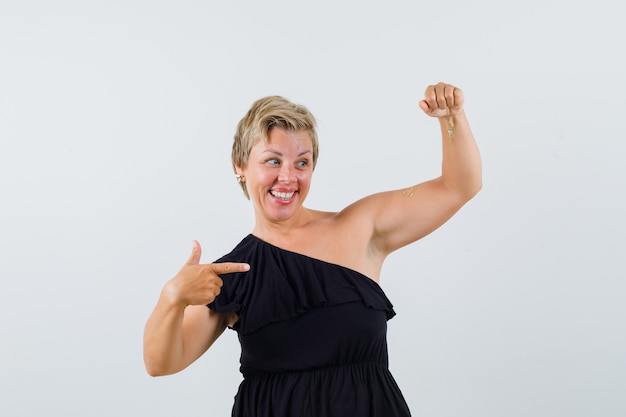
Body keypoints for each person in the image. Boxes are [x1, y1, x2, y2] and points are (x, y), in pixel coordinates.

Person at [143, 82, 482, 416]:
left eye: (301, 163)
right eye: (273, 161)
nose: (288, 177)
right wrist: (172, 297)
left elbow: (459, 186)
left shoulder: (361, 228)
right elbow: (160, 363)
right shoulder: (233, 274)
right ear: (240, 165)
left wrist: (451, 118)